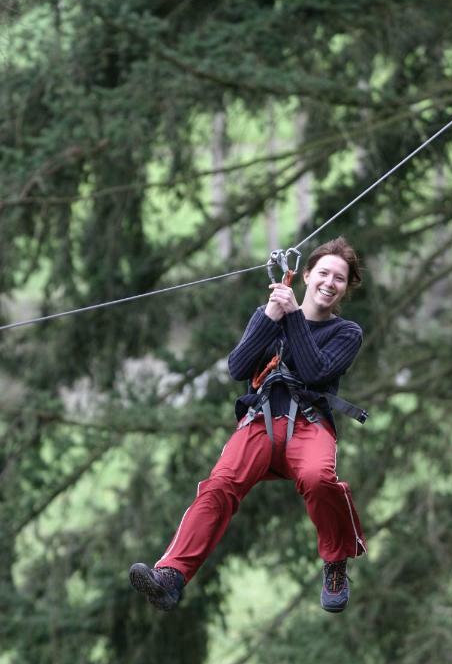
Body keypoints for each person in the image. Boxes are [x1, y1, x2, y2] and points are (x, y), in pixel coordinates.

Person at [129, 236, 367, 614]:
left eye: (339, 278)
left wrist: (290, 317)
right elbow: (238, 368)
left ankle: (336, 562)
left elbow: (314, 370)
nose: (329, 282)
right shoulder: (270, 314)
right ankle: (171, 575)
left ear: (346, 287)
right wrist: (269, 318)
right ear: (305, 275)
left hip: (308, 423)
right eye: (323, 273)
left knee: (319, 479)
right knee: (220, 485)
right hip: (261, 420)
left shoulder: (346, 332)